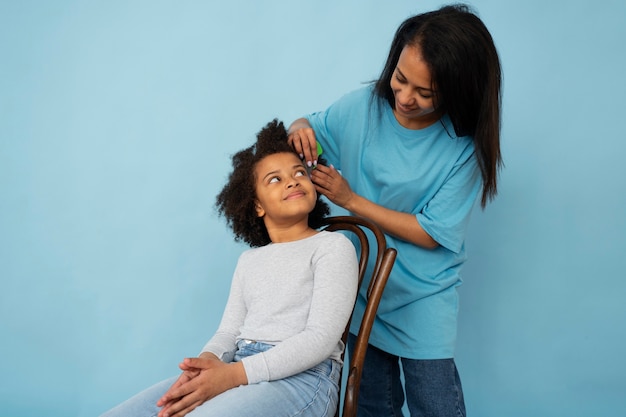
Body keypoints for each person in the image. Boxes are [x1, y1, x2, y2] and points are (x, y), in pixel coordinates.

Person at [287, 4, 502, 416]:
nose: (404, 97)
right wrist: (300, 130)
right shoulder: (363, 108)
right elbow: (309, 126)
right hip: (362, 288)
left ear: (458, 90)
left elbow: (431, 232)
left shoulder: (463, 149)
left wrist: (351, 201)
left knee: (434, 404)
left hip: (423, 296)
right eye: (400, 79)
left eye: (425, 93)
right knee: (370, 405)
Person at [99, 119, 358, 417]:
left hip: (303, 380)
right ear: (257, 206)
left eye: (300, 172)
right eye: (274, 179)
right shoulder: (250, 260)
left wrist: (233, 376)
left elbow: (320, 340)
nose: (292, 180)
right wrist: (205, 367)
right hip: (239, 369)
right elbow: (228, 331)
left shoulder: (332, 247)